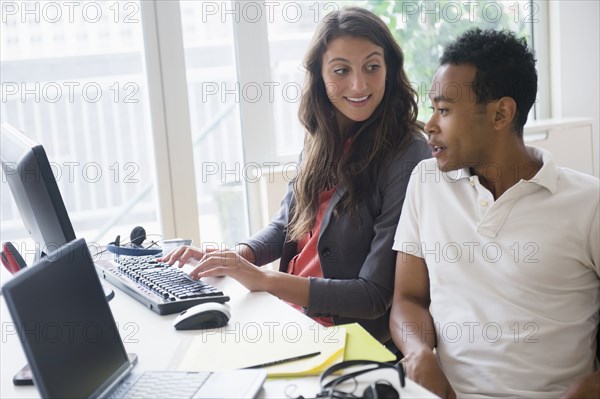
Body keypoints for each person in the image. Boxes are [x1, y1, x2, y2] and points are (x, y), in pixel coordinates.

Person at [160, 7, 430, 343]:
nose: (359, 84)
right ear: (319, 75)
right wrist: (233, 258)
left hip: (345, 338)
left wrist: (263, 279)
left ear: (389, 69)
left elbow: (373, 296)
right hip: (288, 316)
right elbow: (287, 225)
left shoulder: (409, 153)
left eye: (372, 67)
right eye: (341, 70)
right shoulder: (323, 136)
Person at [389, 28, 600, 398]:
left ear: (501, 113)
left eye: (444, 110)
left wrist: (593, 386)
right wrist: (420, 352)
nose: (430, 125)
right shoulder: (426, 182)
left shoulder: (589, 203)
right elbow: (408, 297)